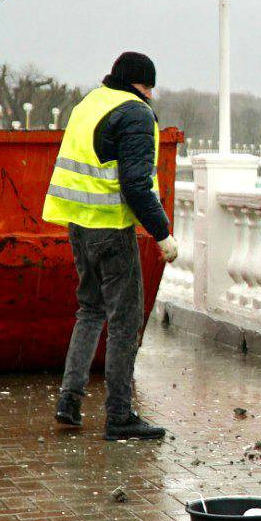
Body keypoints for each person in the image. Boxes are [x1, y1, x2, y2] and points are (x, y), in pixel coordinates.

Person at [42, 51, 180, 441]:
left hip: (78, 224)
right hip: (110, 229)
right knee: (124, 321)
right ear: (141, 84)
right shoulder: (134, 113)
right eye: (149, 86)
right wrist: (163, 234)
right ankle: (120, 414)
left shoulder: (90, 102)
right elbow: (136, 184)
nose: (151, 94)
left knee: (89, 310)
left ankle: (69, 401)